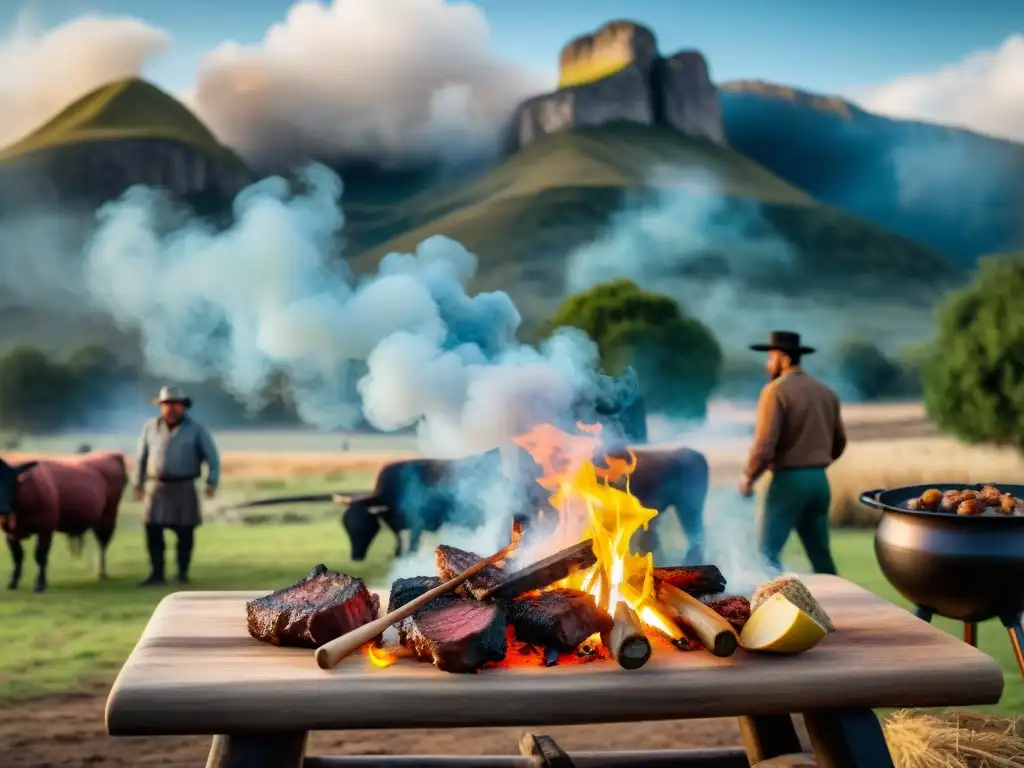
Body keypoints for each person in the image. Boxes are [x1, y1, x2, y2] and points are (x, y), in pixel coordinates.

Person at [739, 331, 847, 575]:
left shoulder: (775, 391)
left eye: (770, 357)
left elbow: (764, 446)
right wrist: (814, 463)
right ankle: (840, 608)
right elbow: (839, 443)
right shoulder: (826, 392)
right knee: (820, 555)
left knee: (765, 554)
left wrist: (748, 477)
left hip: (788, 482)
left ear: (784, 358)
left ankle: (772, 607)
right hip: (819, 482)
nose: (768, 364)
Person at [134, 386, 220, 586]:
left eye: (175, 404)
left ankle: (182, 572)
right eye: (166, 404)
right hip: (156, 486)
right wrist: (138, 482)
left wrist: (212, 481)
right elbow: (141, 457)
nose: (170, 409)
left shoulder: (197, 430)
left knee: (185, 531)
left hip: (184, 485)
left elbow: (213, 459)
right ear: (161, 406)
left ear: (183, 407)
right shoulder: (149, 428)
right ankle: (157, 574)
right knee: (153, 530)